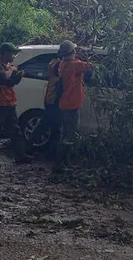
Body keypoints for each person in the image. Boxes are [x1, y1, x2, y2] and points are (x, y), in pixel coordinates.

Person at [53, 40, 93, 173]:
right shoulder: (76, 65)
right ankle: (59, 165)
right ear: (72, 52)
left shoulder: (62, 64)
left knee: (65, 134)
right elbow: (91, 66)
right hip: (71, 105)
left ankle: (64, 162)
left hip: (64, 103)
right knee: (69, 136)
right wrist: (87, 55)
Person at [26, 53, 63, 154]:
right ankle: (29, 147)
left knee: (52, 126)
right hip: (53, 100)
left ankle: (52, 151)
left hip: (53, 100)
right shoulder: (55, 64)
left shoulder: (55, 62)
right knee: (47, 124)